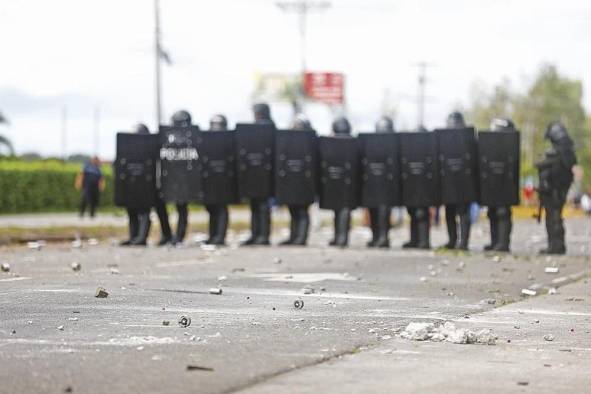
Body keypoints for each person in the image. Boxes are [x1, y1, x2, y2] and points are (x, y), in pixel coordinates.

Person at [536, 121, 577, 255]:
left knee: (553, 217)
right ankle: (555, 245)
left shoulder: (560, 154)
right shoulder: (565, 153)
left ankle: (556, 246)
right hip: (556, 189)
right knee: (554, 216)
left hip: (555, 190)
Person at [242, 103, 275, 246]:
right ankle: (255, 234)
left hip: (265, 173)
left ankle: (263, 235)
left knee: (262, 206)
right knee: (254, 205)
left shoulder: (269, 127)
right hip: (254, 172)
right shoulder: (255, 128)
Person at [279, 114, 315, 246]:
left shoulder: (311, 141)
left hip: (305, 183)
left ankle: (301, 237)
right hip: (291, 181)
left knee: (302, 211)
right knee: (293, 210)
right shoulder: (288, 141)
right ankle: (293, 236)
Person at [483, 118, 518, 252]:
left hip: (505, 184)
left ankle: (503, 243)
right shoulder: (490, 147)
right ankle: (495, 242)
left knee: (502, 212)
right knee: (492, 212)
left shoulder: (510, 146)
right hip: (492, 184)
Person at [440, 111, 473, 250]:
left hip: (464, 184)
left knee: (463, 214)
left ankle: (463, 242)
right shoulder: (444, 141)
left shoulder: (468, 140)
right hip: (449, 184)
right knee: (450, 213)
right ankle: (453, 241)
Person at [119, 123, 154, 246]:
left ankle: (141, 237)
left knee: (144, 211)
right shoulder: (128, 150)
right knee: (131, 210)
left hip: (145, 186)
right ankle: (133, 236)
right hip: (131, 185)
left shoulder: (150, 149)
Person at [366, 116, 396, 248]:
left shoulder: (394, 144)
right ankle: (375, 237)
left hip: (388, 185)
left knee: (383, 211)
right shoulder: (370, 143)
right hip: (372, 183)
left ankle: (383, 238)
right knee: (373, 209)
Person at [204, 114, 231, 245]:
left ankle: (220, 236)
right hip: (210, 181)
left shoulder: (230, 139)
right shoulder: (206, 139)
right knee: (212, 209)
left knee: (221, 209)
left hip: (225, 181)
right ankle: (213, 235)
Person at [328, 116, 355, 247]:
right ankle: (340, 237)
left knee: (341, 209)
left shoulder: (331, 143)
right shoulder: (354, 142)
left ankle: (341, 237)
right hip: (349, 181)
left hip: (336, 180)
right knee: (342, 209)